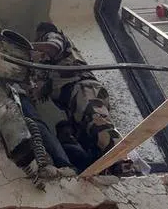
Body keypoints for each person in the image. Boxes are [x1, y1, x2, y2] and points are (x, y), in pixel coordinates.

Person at [29, 22, 127, 173]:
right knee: (87, 136)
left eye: (38, 36)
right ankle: (109, 170)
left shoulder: (53, 36)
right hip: (74, 97)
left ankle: (123, 164)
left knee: (97, 125)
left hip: (82, 88)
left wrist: (28, 46)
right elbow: (45, 88)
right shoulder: (51, 66)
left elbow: (53, 47)